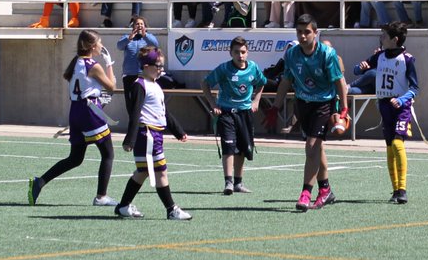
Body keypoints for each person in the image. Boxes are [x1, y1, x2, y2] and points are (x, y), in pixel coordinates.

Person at [28, 29, 119, 208]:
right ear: (92, 46)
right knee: (108, 154)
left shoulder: (75, 62)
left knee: (75, 158)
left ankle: (40, 182)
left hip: (76, 110)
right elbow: (112, 87)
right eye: (99, 42)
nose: (101, 45)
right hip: (89, 111)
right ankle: (101, 197)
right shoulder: (94, 66)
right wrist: (109, 64)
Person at [274, 14, 348, 211]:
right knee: (317, 148)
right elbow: (286, 81)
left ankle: (305, 193)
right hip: (303, 104)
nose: (302, 36)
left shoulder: (327, 54)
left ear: (315, 33)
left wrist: (344, 108)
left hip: (324, 104)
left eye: (307, 32)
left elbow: (339, 81)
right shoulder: (291, 54)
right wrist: (275, 106)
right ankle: (325, 190)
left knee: (312, 146)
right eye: (299, 32)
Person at [117, 47, 192, 220]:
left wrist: (178, 131)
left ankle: (123, 206)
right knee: (160, 172)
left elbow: (163, 112)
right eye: (157, 66)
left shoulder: (155, 85)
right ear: (146, 66)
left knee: (143, 172)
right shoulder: (139, 85)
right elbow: (135, 113)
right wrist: (130, 140)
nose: (160, 70)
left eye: (162, 66)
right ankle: (171, 209)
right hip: (147, 134)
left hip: (155, 134)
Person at [353, 21, 419, 204]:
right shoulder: (379, 56)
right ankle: (395, 190)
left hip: (401, 107)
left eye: (384, 35)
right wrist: (361, 67)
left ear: (394, 39)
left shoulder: (407, 60)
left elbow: (415, 88)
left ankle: (403, 189)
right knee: (389, 146)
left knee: (398, 143)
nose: (381, 38)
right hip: (384, 104)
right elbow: (356, 70)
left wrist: (402, 100)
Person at [201, 37, 267, 195]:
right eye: (236, 52)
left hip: (245, 113)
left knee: (243, 149)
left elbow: (261, 82)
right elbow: (205, 83)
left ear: (247, 52)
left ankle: (238, 182)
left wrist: (256, 101)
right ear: (230, 53)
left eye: (243, 52)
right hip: (227, 113)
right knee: (229, 146)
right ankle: (228, 182)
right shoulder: (224, 69)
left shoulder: (253, 68)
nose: (240, 55)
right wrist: (213, 104)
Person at [116, 16, 159, 111]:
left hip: (143, 75)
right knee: (130, 103)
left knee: (142, 103)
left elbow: (155, 44)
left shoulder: (149, 37)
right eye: (137, 24)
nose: (139, 26)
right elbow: (119, 46)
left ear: (145, 26)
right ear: (133, 26)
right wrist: (129, 38)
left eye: (141, 24)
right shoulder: (127, 37)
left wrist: (145, 35)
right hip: (129, 75)